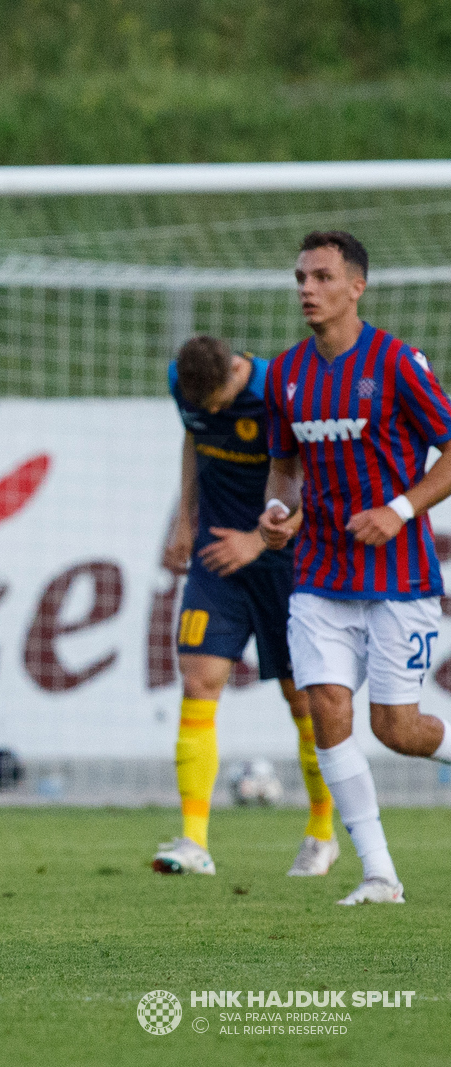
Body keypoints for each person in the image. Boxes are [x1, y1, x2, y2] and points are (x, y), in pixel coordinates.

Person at [260, 230, 451, 905]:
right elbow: (285, 467)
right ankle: (379, 873)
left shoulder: (397, 362)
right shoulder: (285, 374)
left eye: (320, 277)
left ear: (356, 287)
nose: (307, 289)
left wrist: (399, 508)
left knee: (396, 728)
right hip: (318, 575)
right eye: (301, 278)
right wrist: (278, 512)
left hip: (399, 576)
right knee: (325, 710)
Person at [151, 335, 336, 878]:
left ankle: (322, 833)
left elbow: (316, 476)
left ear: (237, 370)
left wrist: (258, 541)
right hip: (215, 558)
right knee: (198, 682)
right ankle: (194, 840)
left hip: (287, 563)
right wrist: (185, 519)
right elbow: (194, 438)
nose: (211, 412)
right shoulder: (181, 383)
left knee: (304, 702)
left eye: (219, 402)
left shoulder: (283, 388)